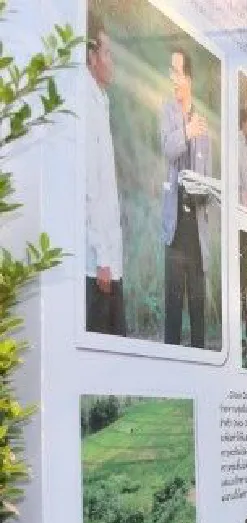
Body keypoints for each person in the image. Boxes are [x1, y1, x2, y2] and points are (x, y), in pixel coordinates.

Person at [161, 47, 213, 349]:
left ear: (189, 78)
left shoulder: (203, 124)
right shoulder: (166, 112)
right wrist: (186, 131)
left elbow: (207, 175)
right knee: (172, 306)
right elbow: (168, 149)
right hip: (175, 226)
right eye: (170, 71)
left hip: (197, 228)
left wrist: (205, 189)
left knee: (197, 307)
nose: (172, 77)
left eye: (177, 71)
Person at [85, 17, 126, 336]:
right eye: (107, 53)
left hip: (108, 264)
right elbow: (89, 187)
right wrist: (101, 258)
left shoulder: (102, 101)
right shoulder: (86, 104)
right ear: (91, 57)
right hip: (97, 268)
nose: (112, 61)